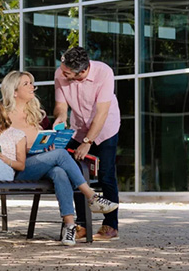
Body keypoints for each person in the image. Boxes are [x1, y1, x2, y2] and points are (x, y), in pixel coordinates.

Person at [0, 97, 118, 246]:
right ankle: (92, 197)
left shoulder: (16, 134)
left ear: (1, 113)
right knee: (59, 158)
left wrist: (7, 159)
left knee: (59, 171)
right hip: (3, 173)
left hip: (19, 169)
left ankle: (70, 227)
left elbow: (21, 165)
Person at [53, 46, 121, 241]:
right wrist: (60, 118)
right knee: (74, 173)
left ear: (82, 71)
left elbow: (102, 112)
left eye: (67, 72)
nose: (62, 73)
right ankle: (82, 224)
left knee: (106, 175)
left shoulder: (104, 73)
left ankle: (110, 226)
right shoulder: (61, 73)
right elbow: (61, 105)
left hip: (105, 128)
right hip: (78, 128)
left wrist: (87, 142)